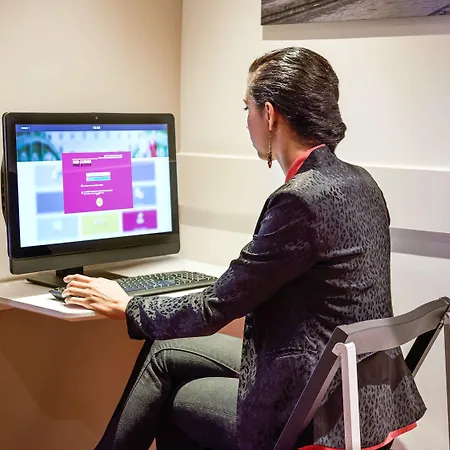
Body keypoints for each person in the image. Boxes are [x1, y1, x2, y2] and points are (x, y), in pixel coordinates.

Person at [63, 47, 426, 450]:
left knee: (174, 397)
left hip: (319, 417)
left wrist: (128, 306)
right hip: (365, 403)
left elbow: (214, 308)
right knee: (165, 351)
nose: (246, 120)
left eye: (246, 108)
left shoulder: (301, 199)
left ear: (269, 115)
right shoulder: (362, 183)